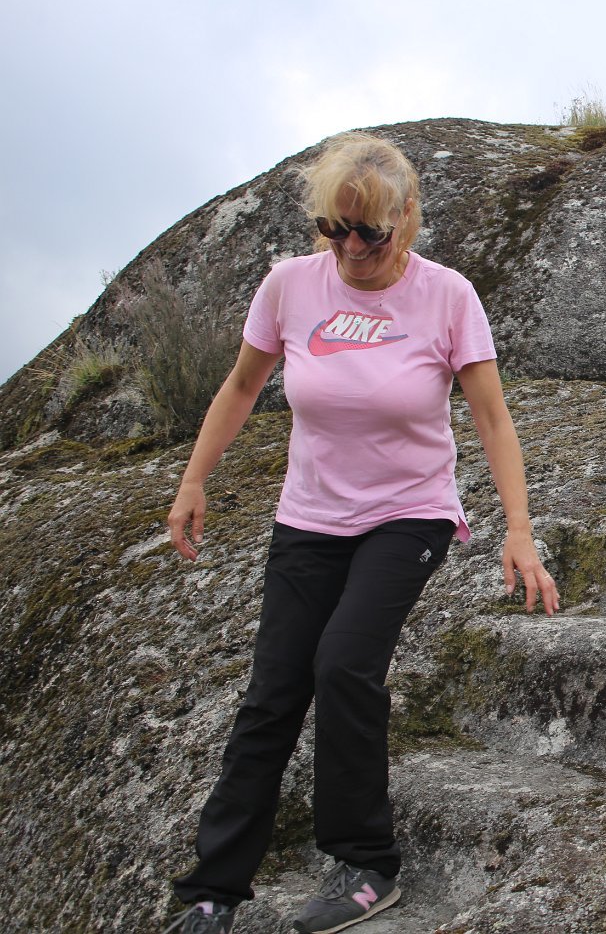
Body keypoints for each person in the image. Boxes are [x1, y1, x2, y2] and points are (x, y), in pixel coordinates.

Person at [162, 132, 558, 934]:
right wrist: (193, 480)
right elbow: (242, 386)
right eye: (332, 228)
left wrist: (520, 528)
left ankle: (367, 864)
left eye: (368, 233)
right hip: (308, 516)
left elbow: (491, 418)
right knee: (273, 693)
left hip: (409, 513)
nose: (348, 248)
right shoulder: (290, 286)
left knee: (343, 665)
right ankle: (213, 891)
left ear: (405, 218)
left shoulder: (447, 297)